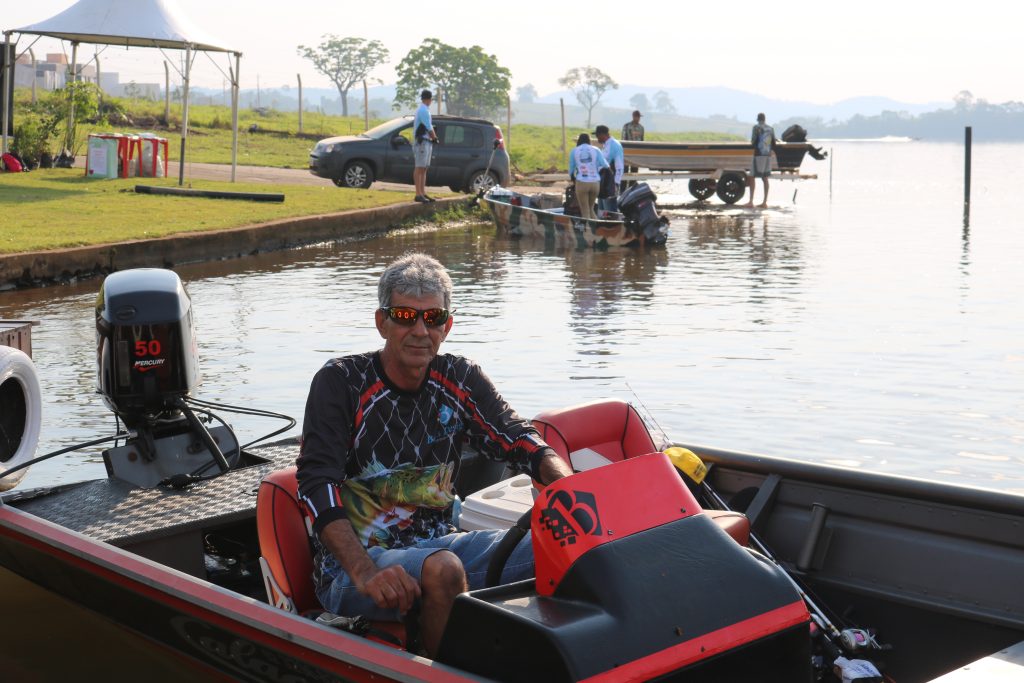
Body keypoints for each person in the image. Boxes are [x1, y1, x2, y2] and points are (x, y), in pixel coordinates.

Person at [296, 253, 573, 659]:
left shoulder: (460, 376)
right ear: (382, 322)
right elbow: (316, 482)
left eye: (434, 318)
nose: (420, 330)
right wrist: (364, 571)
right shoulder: (340, 381)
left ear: (448, 325)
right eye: (406, 315)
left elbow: (517, 438)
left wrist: (570, 485)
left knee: (568, 543)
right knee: (443, 570)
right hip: (353, 569)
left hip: (442, 544)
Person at [568, 133, 609, 221]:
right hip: (595, 183)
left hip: (582, 182)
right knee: (591, 209)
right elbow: (605, 165)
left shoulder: (574, 151)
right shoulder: (596, 149)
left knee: (585, 211)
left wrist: (572, 178)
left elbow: (571, 168)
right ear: (589, 140)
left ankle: (587, 233)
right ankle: (598, 229)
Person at [745, 112, 776, 208]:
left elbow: (753, 142)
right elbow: (774, 143)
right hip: (767, 156)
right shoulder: (771, 129)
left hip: (758, 155)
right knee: (765, 178)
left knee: (752, 176)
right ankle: (764, 202)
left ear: (757, 119)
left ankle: (751, 202)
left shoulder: (756, 128)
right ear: (765, 119)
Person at [413, 89, 439, 203]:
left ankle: (422, 193)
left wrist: (432, 139)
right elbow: (429, 127)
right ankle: (418, 194)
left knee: (424, 168)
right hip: (422, 142)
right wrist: (435, 138)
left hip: (426, 142)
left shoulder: (425, 110)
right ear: (429, 99)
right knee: (419, 168)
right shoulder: (423, 110)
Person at [593, 125, 624, 213]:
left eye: (597, 135)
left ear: (603, 134)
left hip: (610, 184)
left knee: (610, 213)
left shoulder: (614, 145)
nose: (597, 137)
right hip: (602, 183)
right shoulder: (605, 145)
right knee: (601, 212)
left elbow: (619, 166)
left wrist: (616, 183)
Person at [620, 110, 645, 192]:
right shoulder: (626, 126)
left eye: (639, 117)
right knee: (625, 173)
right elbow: (623, 139)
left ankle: (632, 190)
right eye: (637, 116)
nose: (638, 118)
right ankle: (622, 191)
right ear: (633, 116)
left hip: (636, 154)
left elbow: (642, 141)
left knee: (634, 173)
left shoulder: (641, 128)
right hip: (626, 153)